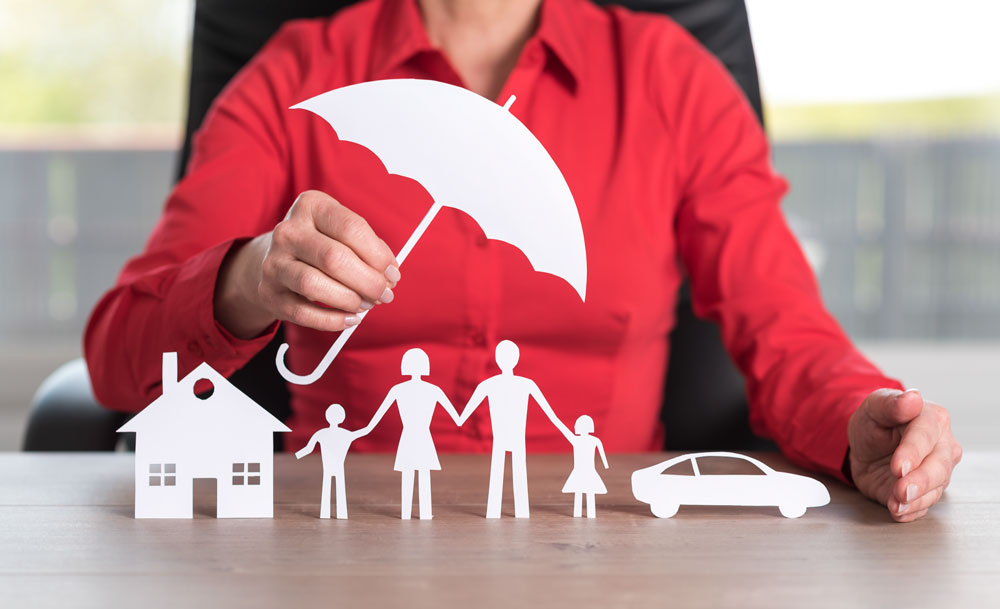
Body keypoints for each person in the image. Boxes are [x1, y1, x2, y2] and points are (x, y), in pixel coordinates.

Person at [84, 0, 960, 523]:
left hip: (594, 539)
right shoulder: (295, 80)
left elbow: (787, 335)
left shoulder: (674, 83)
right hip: (343, 531)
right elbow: (119, 358)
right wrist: (244, 279)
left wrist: (863, 421)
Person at [457, 340, 571, 518]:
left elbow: (463, 415)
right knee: (519, 474)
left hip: (501, 437)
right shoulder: (526, 384)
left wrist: (454, 417)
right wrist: (569, 434)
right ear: (516, 359)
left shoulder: (489, 384)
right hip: (515, 437)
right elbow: (551, 415)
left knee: (498, 474)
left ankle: (494, 512)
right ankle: (520, 512)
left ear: (497, 359)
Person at [361, 348, 462, 519]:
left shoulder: (398, 389)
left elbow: (376, 418)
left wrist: (363, 431)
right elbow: (457, 418)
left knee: (408, 475)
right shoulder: (433, 390)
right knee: (423, 476)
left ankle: (407, 514)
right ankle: (424, 513)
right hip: (423, 438)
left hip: (408, 438)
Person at [295, 403, 367, 519]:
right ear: (342, 417)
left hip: (329, 467)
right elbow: (365, 431)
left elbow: (308, 449)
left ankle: (327, 514)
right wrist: (375, 422)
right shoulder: (345, 434)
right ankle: (340, 514)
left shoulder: (321, 433)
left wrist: (297, 455)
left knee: (327, 490)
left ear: (327, 416)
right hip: (337, 467)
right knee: (339, 490)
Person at [560, 415, 609, 518]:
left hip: (585, 471)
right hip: (583, 471)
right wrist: (605, 465)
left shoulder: (578, 440)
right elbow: (602, 455)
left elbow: (602, 454)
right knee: (586, 491)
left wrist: (605, 464)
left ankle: (584, 513)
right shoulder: (593, 440)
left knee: (582, 491)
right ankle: (583, 514)